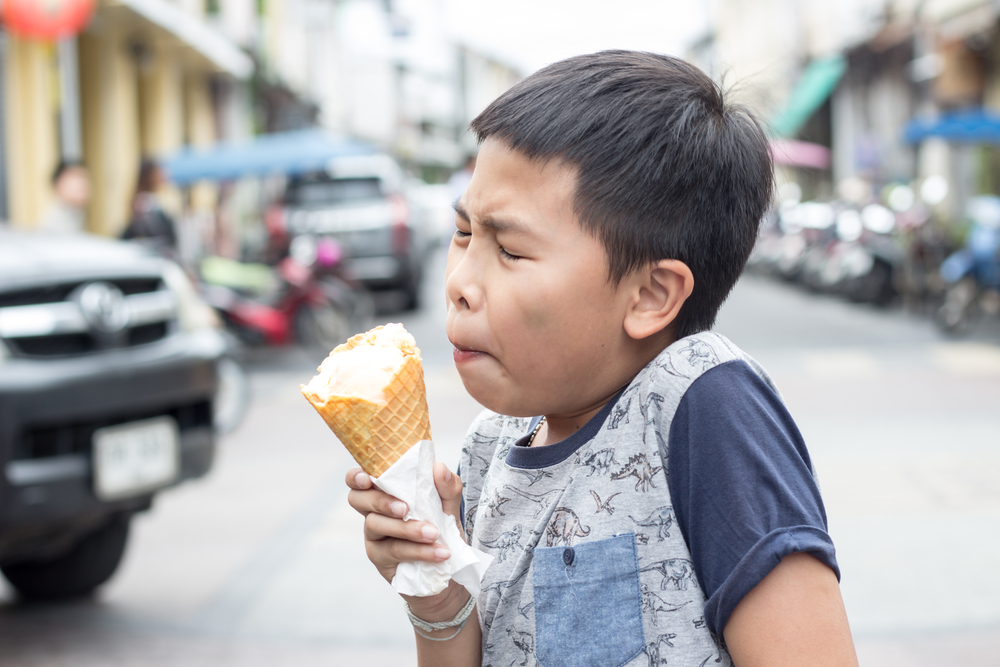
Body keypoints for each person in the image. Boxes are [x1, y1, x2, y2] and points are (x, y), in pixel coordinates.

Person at [346, 51, 858, 667]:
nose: (459, 280)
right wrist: (439, 600)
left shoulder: (701, 402)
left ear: (648, 296)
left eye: (508, 248)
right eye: (463, 234)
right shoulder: (487, 450)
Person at [121, 158, 178, 255]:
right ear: (150, 176)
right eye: (158, 173)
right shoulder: (145, 204)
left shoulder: (150, 200)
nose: (163, 176)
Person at [38, 160, 90, 234]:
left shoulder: (78, 214)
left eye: (85, 178)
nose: (83, 184)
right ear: (58, 184)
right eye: (76, 177)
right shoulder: (53, 224)